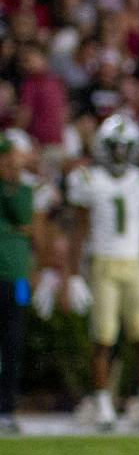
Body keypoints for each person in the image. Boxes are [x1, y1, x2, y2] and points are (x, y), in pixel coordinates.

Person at [64, 114, 139, 430]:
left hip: (134, 264)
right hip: (102, 263)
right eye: (115, 147)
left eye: (126, 148)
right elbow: (79, 230)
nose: (121, 154)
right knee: (103, 338)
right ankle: (104, 405)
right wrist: (73, 274)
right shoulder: (88, 180)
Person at [0, 133, 37, 434]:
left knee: (12, 342)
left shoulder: (22, 190)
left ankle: (7, 407)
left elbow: (25, 221)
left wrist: (11, 187)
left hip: (16, 276)